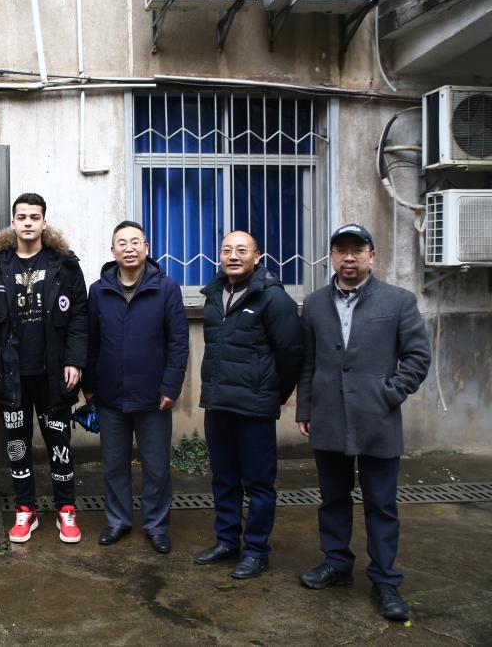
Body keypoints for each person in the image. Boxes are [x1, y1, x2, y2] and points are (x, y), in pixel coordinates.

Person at [297, 224, 431, 622]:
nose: (349, 257)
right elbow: (308, 362)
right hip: (328, 417)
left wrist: (389, 394)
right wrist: (305, 409)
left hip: (378, 420)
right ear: (331, 257)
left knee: (381, 503)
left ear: (371, 255)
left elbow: (417, 357)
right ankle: (337, 563)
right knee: (333, 499)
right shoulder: (315, 304)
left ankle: (385, 579)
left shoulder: (398, 301)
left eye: (357, 250)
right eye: (341, 250)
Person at [0, 193, 88, 544]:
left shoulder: (64, 264)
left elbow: (80, 317)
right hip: (10, 375)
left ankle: (66, 508)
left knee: (59, 446)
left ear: (44, 222)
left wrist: (75, 360)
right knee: (17, 447)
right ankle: (26, 509)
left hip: (53, 373)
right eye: (21, 217)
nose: (27, 223)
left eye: (34, 217)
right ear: (13, 222)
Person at [194, 230, 304, 579]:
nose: (233, 256)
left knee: (258, 484)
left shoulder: (274, 299)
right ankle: (227, 541)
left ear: (257, 257)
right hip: (218, 405)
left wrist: (271, 394)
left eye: (242, 250)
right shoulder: (214, 295)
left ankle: (256, 551)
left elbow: (291, 354)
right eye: (227, 250)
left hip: (254, 409)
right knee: (224, 479)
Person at [85, 221, 188, 552]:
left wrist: (171, 387)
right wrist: (89, 386)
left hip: (153, 396)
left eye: (135, 242)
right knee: (114, 465)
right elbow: (91, 341)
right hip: (110, 395)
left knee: (156, 468)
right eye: (122, 243)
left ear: (146, 248)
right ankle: (118, 521)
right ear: (112, 250)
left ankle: (156, 526)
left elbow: (178, 343)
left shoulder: (166, 288)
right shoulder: (98, 291)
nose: (128, 248)